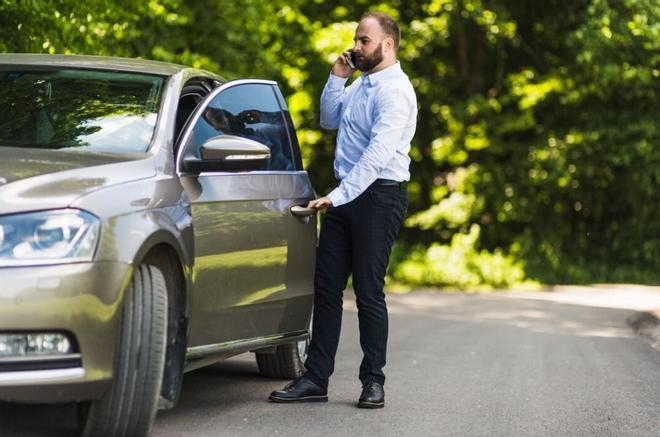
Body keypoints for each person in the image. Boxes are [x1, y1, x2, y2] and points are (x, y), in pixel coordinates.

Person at [269, 11, 417, 409]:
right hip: (346, 195)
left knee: (368, 291)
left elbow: (378, 155)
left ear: (387, 45)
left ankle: (373, 381)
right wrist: (337, 76)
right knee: (327, 288)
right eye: (355, 39)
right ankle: (315, 379)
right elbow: (328, 119)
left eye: (363, 41)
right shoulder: (359, 85)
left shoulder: (395, 91)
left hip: (379, 196)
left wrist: (338, 195)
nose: (355, 46)